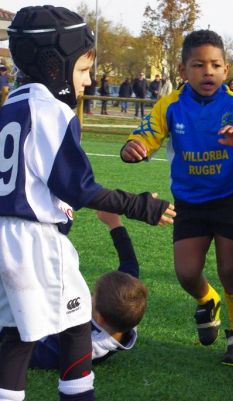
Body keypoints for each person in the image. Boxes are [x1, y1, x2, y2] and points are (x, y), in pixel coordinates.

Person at [1, 6, 175, 401]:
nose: (89, 79)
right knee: (78, 321)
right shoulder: (52, 111)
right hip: (35, 236)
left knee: (16, 334)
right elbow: (79, 188)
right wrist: (139, 207)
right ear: (55, 64)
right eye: (83, 69)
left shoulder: (10, 106)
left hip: (3, 233)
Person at [120, 29, 233, 367]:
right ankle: (208, 299)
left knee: (231, 269)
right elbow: (146, 136)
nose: (208, 72)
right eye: (199, 65)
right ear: (183, 70)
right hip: (189, 200)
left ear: (226, 70)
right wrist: (135, 148)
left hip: (232, 197)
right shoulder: (170, 105)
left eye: (215, 65)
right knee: (187, 273)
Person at [23, 211, 147, 369]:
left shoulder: (79, 348)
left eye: (93, 296)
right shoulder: (129, 302)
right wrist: (114, 223)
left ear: (99, 318)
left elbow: (29, 354)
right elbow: (130, 262)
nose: (89, 295)